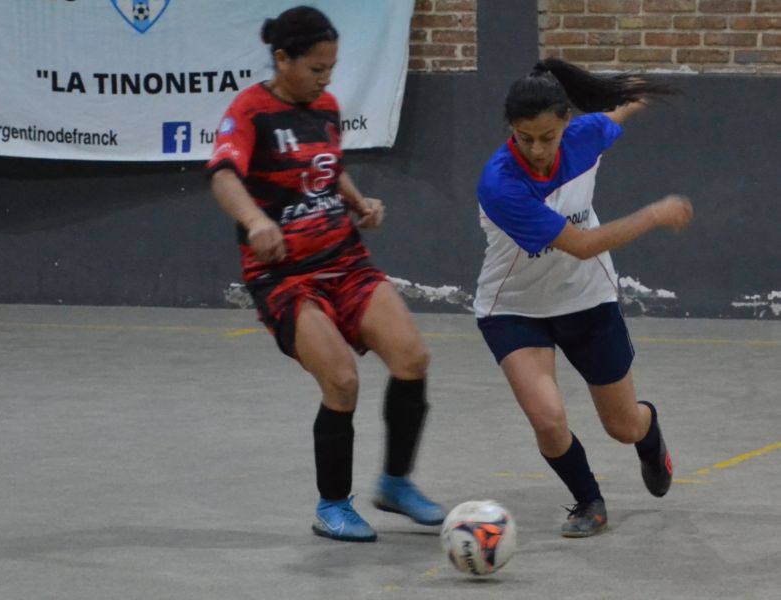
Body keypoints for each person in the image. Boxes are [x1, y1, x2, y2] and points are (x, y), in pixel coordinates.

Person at [206, 6, 444, 543]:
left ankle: (396, 484)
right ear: (282, 59)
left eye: (332, 68)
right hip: (286, 278)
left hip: (345, 261)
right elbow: (223, 175)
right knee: (341, 380)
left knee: (413, 357)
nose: (326, 79)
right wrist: (254, 218)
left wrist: (359, 203)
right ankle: (333, 505)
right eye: (316, 69)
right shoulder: (249, 112)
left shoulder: (327, 107)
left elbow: (327, 167)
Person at [473, 58, 694, 537]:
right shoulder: (501, 183)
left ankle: (649, 434)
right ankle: (588, 500)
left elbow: (618, 109)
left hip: (588, 299)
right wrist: (655, 213)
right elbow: (584, 245)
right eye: (524, 137)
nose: (535, 148)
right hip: (515, 308)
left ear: (565, 125)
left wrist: (640, 86)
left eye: (547, 137)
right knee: (549, 422)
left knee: (623, 426)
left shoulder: (586, 135)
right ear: (511, 128)